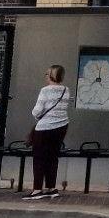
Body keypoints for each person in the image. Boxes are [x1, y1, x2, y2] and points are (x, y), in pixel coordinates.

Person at [26, 64, 71, 199]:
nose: (45, 76)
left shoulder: (45, 90)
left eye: (47, 73)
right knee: (53, 157)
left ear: (52, 75)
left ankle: (37, 190)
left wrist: (36, 115)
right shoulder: (66, 90)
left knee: (39, 158)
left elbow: (37, 111)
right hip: (62, 126)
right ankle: (52, 188)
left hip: (45, 128)